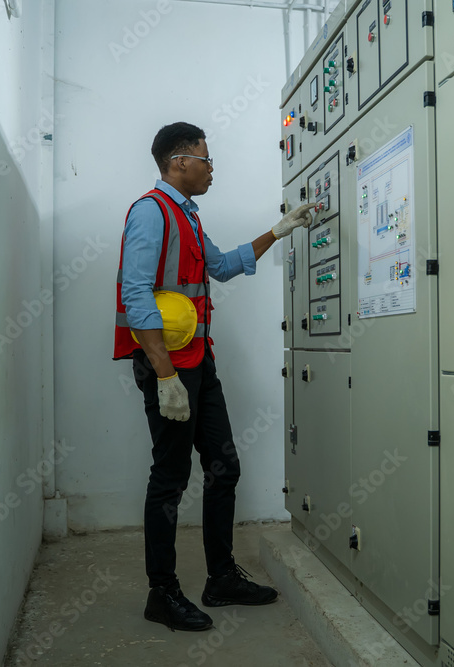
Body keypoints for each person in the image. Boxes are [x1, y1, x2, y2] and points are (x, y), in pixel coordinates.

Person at [113, 122, 317, 631]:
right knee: (170, 478)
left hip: (198, 364)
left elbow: (222, 266)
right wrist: (164, 376)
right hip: (169, 369)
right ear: (179, 161)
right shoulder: (150, 212)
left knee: (223, 467)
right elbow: (135, 293)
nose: (211, 170)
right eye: (206, 160)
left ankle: (221, 578)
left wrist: (279, 230)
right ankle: (162, 593)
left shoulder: (186, 215)